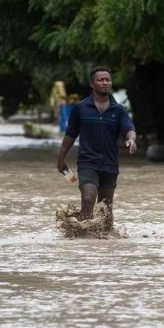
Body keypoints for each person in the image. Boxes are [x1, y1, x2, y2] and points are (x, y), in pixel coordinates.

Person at [56, 67, 137, 220]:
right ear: (92, 84)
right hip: (87, 162)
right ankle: (84, 239)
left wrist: (131, 139)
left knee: (106, 210)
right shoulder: (80, 108)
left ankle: (105, 241)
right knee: (88, 199)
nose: (105, 83)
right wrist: (61, 159)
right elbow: (70, 135)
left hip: (110, 164)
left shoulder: (118, 110)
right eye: (101, 80)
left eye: (108, 80)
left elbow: (129, 128)